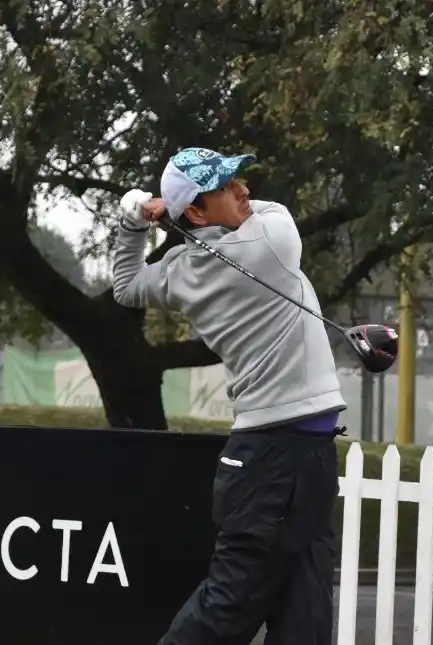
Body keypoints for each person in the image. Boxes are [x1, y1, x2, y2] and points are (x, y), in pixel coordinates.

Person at [111, 146, 347, 645]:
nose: (243, 188)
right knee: (227, 609)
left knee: (305, 617)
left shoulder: (181, 270)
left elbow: (127, 285)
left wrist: (137, 213)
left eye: (237, 177)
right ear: (195, 212)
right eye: (223, 186)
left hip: (300, 454)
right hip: (272, 458)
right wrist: (164, 210)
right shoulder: (272, 240)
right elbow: (269, 212)